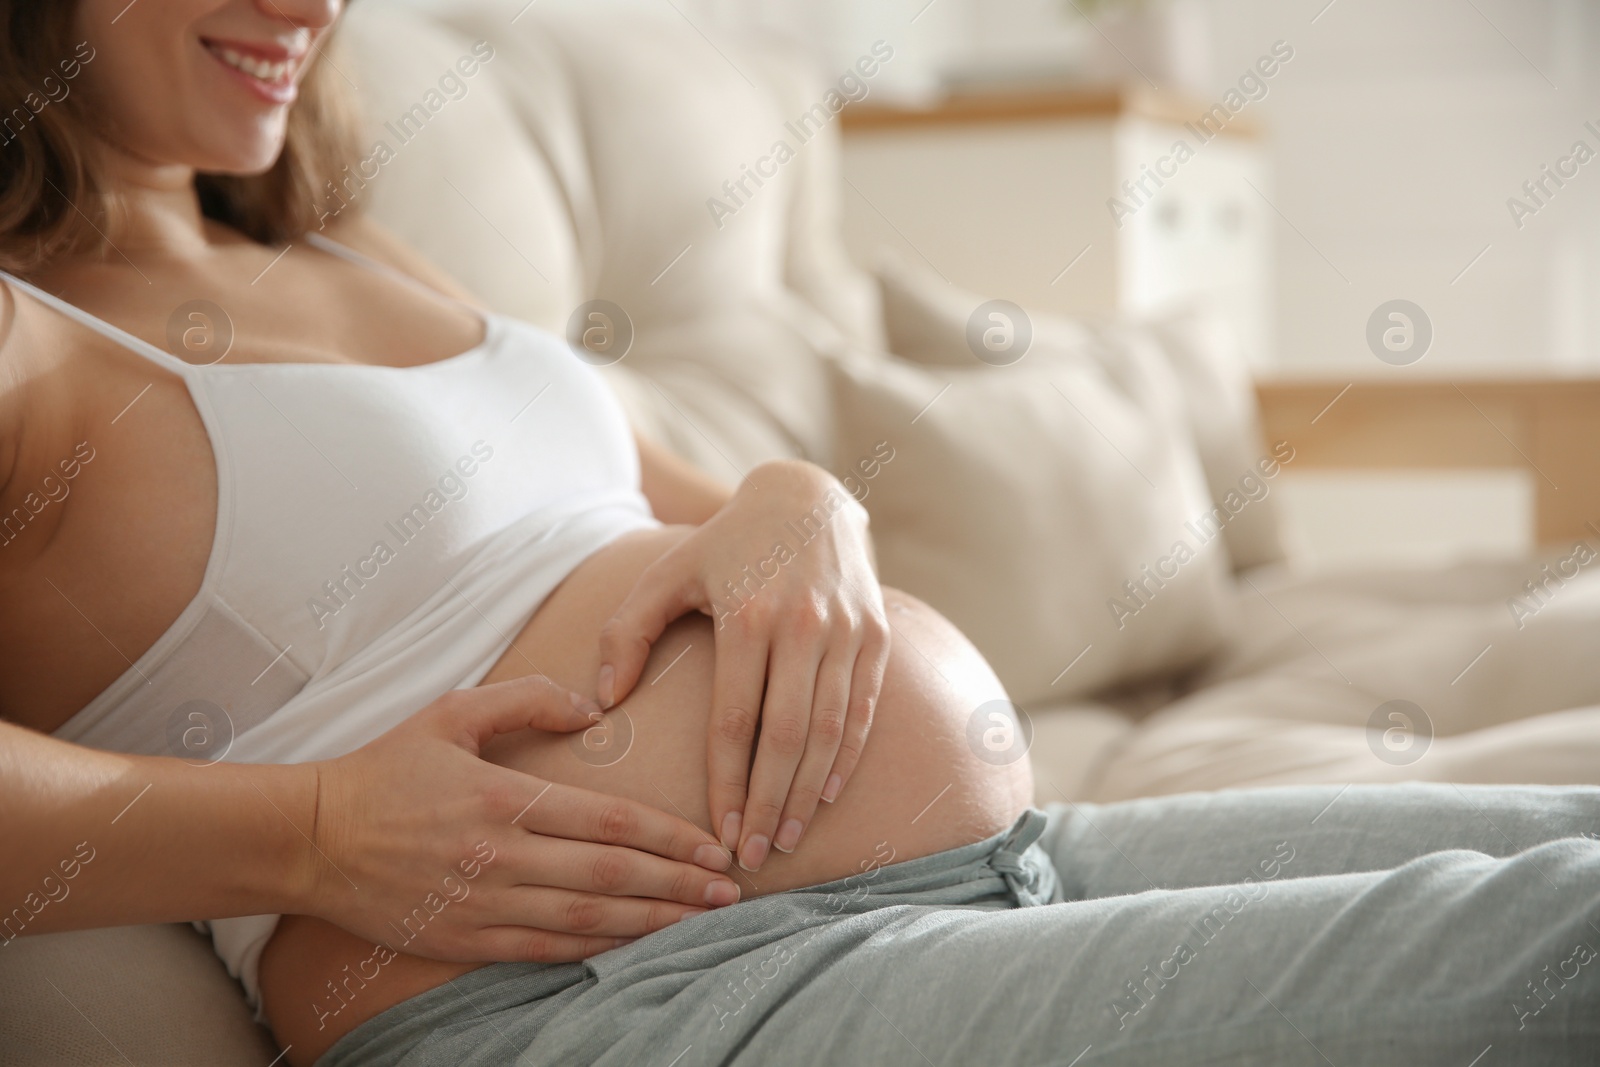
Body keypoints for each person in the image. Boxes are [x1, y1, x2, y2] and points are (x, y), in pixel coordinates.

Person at [1, 2, 1595, 1065]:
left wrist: (800, 502)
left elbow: (685, 488)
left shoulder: (350, 245)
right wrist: (317, 831)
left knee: (1570, 844)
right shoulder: (32, 335)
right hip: (614, 999)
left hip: (985, 868)